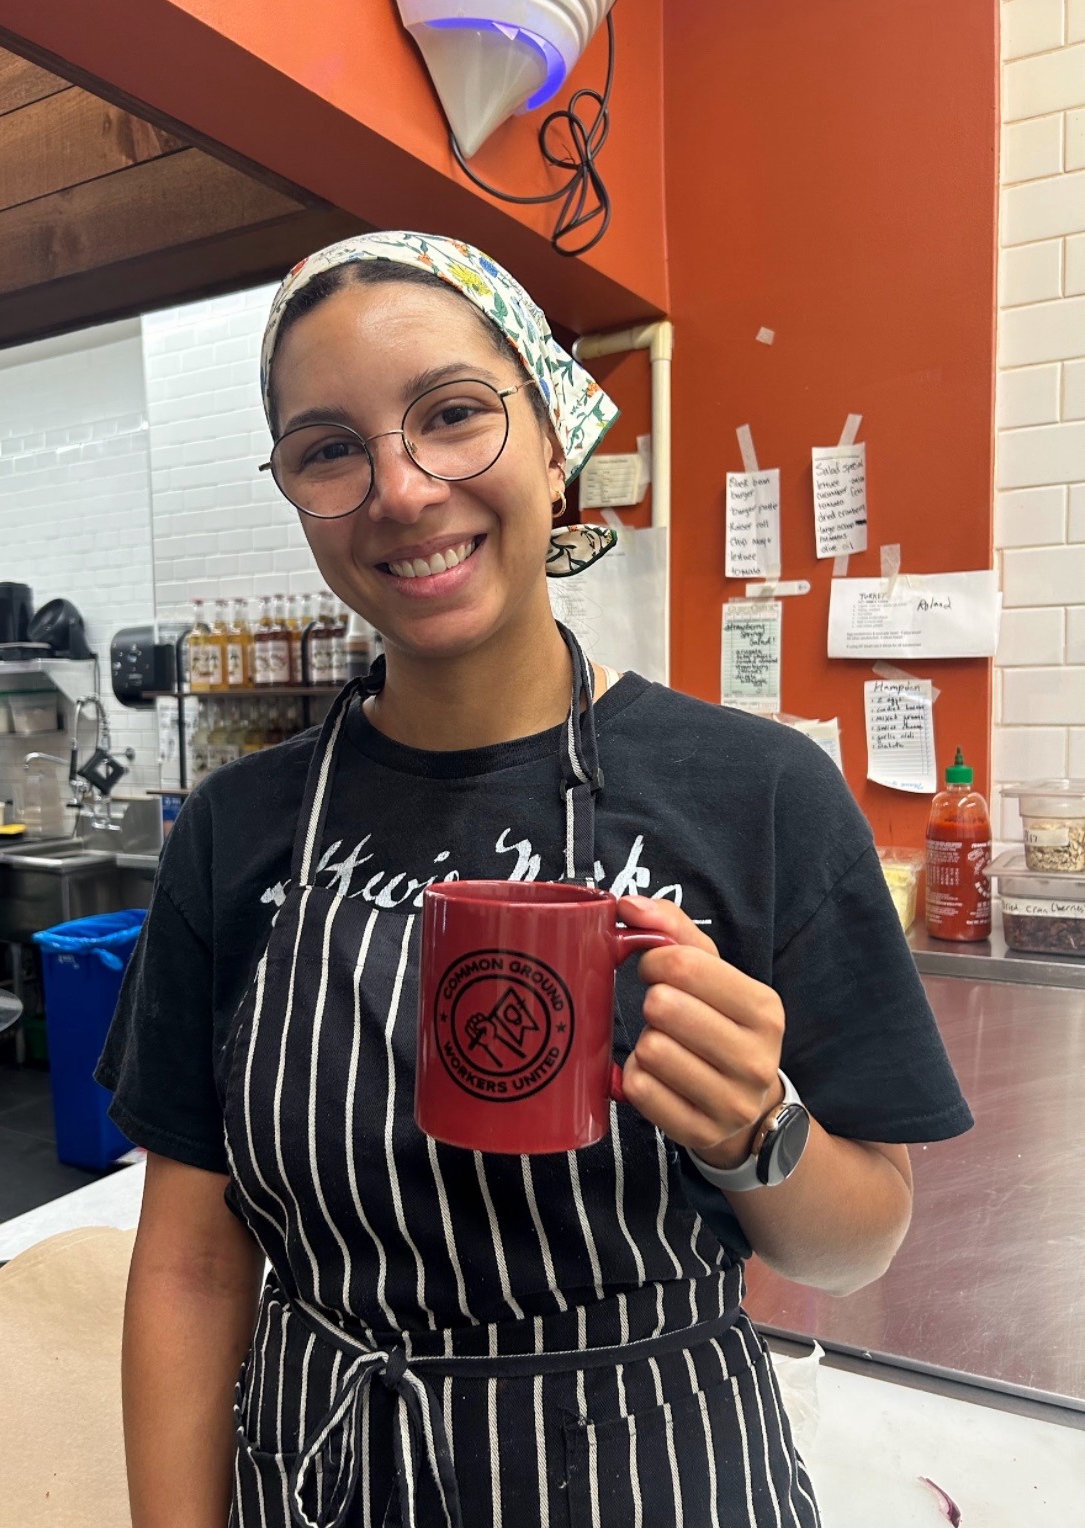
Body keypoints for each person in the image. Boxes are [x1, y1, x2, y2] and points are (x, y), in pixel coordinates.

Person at [98, 230, 972, 1528]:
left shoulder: (761, 794)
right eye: (329, 448)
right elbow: (189, 1266)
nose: (402, 491)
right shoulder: (235, 828)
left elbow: (859, 1245)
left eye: (453, 414)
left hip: (659, 1476)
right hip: (328, 1475)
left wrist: (756, 1132)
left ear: (555, 441)